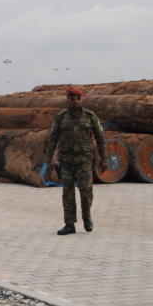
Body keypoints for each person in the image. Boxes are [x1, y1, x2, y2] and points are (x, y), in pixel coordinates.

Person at [44, 87, 107, 236]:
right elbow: (52, 139)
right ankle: (69, 223)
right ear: (67, 100)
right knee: (67, 192)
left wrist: (104, 158)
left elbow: (101, 138)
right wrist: (49, 160)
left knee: (86, 191)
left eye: (78, 99)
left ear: (81, 100)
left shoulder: (90, 116)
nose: (75, 102)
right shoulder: (60, 118)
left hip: (84, 159)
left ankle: (87, 217)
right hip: (66, 160)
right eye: (72, 99)